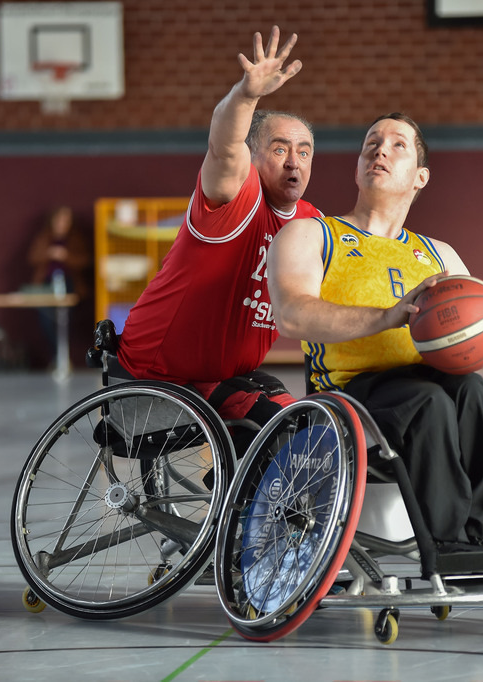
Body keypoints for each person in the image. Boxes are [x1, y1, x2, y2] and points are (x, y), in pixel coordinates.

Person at [266, 112, 483, 553]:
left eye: (397, 144)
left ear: (421, 177)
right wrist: (387, 316)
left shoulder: (439, 254)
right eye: (371, 142)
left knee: (475, 393)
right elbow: (293, 316)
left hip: (426, 385)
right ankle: (448, 546)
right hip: (350, 399)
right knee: (431, 402)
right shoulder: (311, 234)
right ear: (357, 167)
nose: (379, 149)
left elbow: (477, 326)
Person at [111, 26, 322, 427]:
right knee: (286, 430)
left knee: (312, 421)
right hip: (163, 373)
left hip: (223, 376)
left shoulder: (312, 222)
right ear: (254, 155)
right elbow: (224, 146)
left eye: (304, 151)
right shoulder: (236, 193)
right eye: (280, 149)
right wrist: (246, 94)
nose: (294, 162)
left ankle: (230, 489)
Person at [28, 206, 90, 357]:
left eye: (66, 220)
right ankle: (57, 355)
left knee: (65, 322)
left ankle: (64, 356)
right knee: (46, 321)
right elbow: (32, 257)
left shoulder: (75, 239)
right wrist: (49, 254)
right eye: (59, 220)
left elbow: (85, 260)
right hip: (47, 284)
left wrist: (66, 256)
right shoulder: (44, 238)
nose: (62, 223)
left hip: (68, 284)